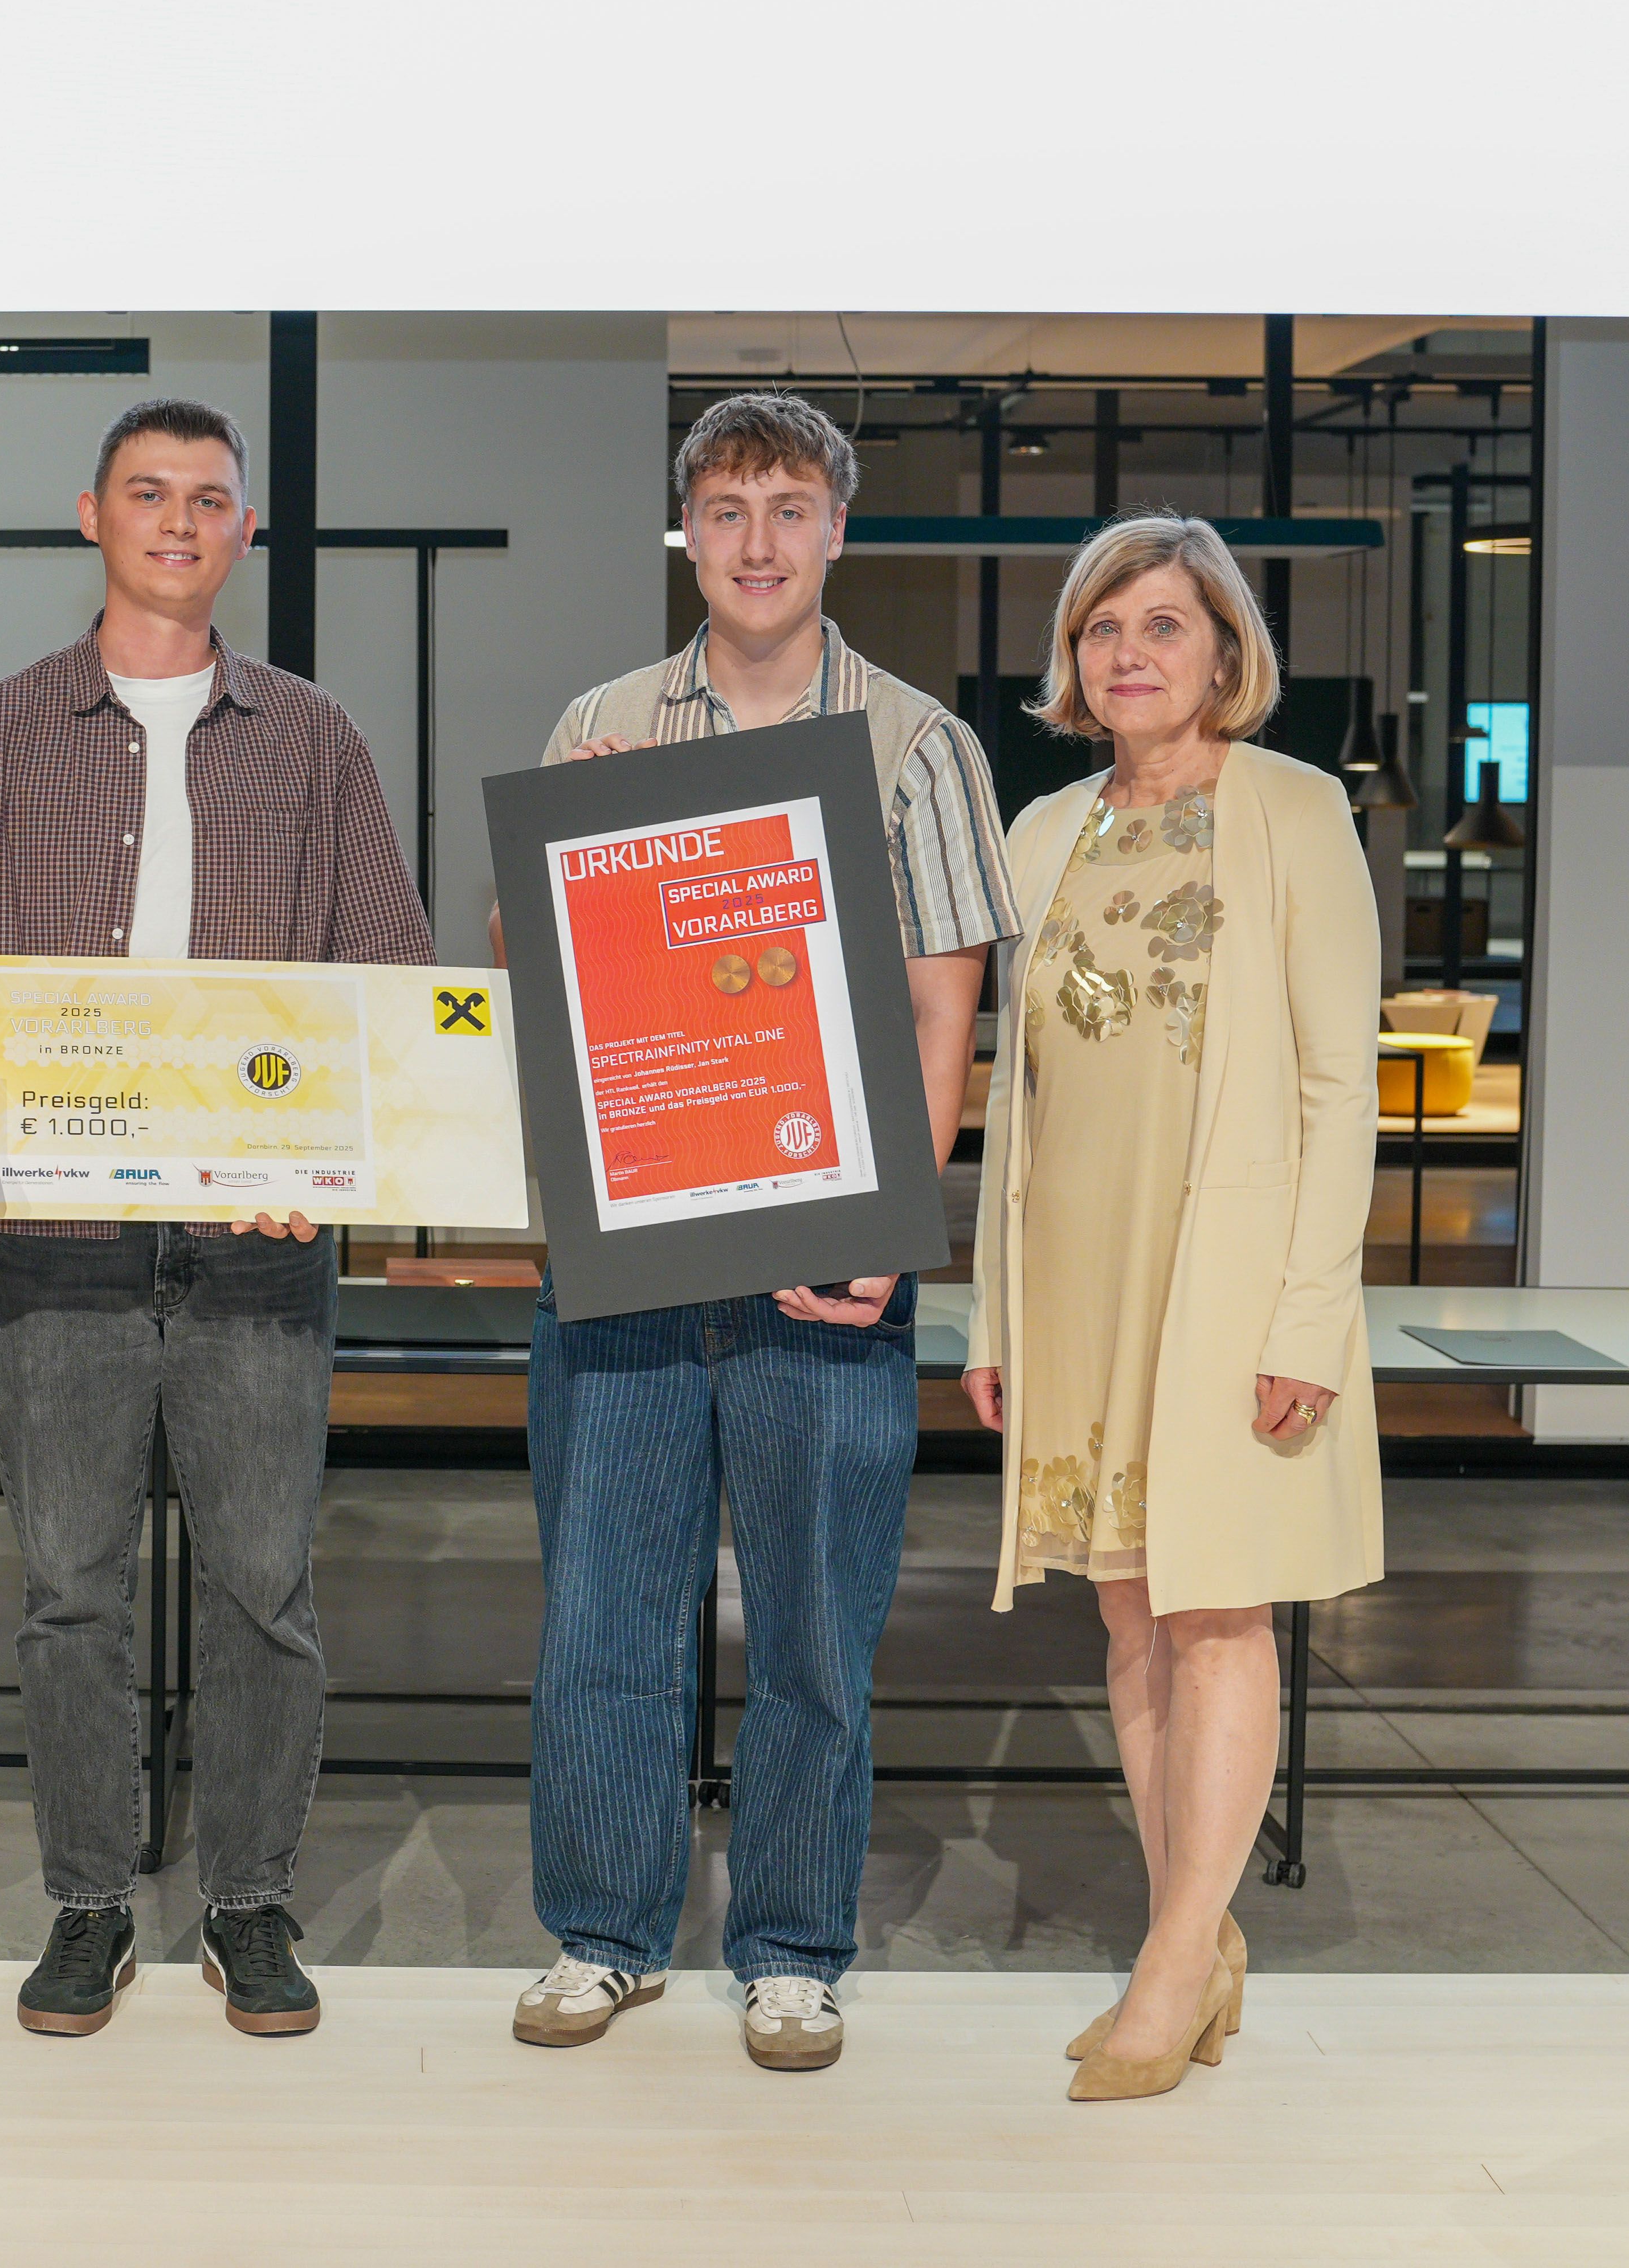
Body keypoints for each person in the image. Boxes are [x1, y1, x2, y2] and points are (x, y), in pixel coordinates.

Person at [0, 398, 431, 2040]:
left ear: (245, 530)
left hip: (263, 1245)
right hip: (59, 1248)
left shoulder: (317, 740)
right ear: (92, 516)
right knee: (70, 1592)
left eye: (208, 498)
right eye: (148, 493)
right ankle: (88, 1904)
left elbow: (386, 989)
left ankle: (248, 1904)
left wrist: (326, 1165)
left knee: (264, 1590)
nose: (179, 521)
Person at [499, 393, 1018, 2067]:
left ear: (837, 530)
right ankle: (603, 1932)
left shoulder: (919, 747)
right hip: (632, 1256)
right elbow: (529, 963)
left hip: (823, 1261)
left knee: (812, 1629)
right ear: (690, 536)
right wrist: (565, 841)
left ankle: (792, 1947)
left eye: (790, 508)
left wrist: (888, 1223)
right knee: (604, 1618)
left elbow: (943, 1013)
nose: (757, 542)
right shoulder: (600, 724)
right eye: (725, 511)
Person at [961, 515, 1381, 2102]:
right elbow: (1014, 1099)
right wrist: (996, 1316)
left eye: (1162, 624)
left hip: (1228, 1279)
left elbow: (1340, 1084)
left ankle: (1173, 1959)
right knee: (1131, 1613)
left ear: (1223, 652)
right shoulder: (1042, 830)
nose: (1128, 653)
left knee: (1217, 1611)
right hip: (1077, 1275)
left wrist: (1307, 1317)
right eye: (1101, 628)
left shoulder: (1293, 811)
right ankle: (1190, 1943)